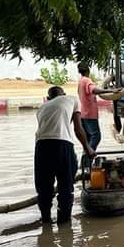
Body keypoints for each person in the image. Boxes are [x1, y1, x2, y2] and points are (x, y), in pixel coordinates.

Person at [35, 86, 95, 224]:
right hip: (62, 144)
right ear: (64, 94)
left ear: (48, 98)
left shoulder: (42, 108)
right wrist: (88, 148)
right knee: (66, 186)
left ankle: (46, 222)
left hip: (41, 146)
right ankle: (64, 225)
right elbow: (78, 128)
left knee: (44, 188)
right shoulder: (72, 99)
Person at [77, 62, 118, 151]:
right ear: (88, 71)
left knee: (88, 138)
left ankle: (85, 157)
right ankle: (89, 155)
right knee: (96, 136)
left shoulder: (80, 81)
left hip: (83, 113)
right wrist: (111, 91)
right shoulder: (87, 80)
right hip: (90, 114)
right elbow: (94, 90)